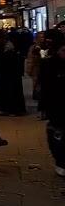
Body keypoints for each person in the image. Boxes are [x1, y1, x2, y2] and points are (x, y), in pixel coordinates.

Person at [41, 41, 65, 176]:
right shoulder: (50, 65)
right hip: (56, 107)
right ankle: (60, 161)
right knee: (57, 135)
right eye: (63, 50)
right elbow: (46, 88)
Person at [0, 39, 26, 116]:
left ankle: (7, 109)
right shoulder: (16, 55)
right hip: (15, 77)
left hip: (6, 78)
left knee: (7, 93)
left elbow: (0, 67)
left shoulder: (3, 55)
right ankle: (16, 110)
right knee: (15, 93)